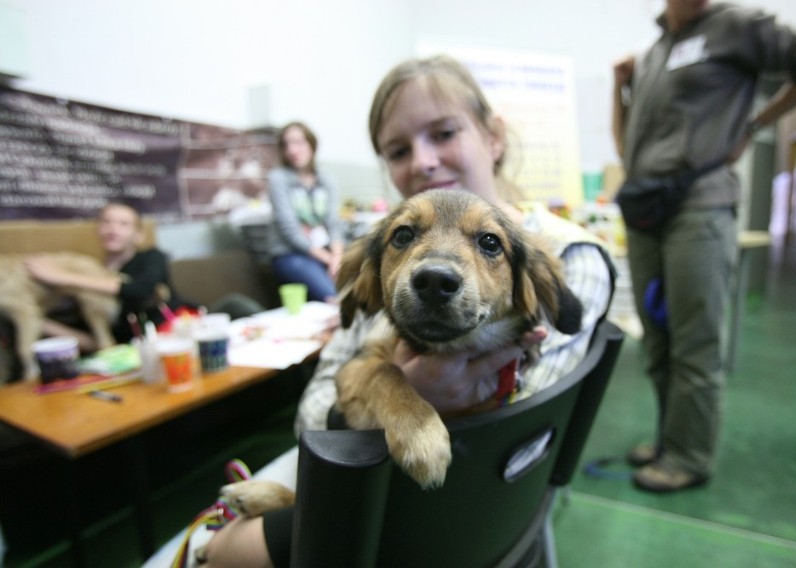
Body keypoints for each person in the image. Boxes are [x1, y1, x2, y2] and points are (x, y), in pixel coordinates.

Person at [197, 54, 615, 568]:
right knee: (211, 552)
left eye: (443, 133)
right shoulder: (373, 282)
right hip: (358, 491)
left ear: (493, 136)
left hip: (474, 516)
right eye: (397, 150)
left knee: (223, 554)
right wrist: (397, 392)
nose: (422, 162)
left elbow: (517, 453)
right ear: (369, 281)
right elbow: (314, 416)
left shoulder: (570, 255)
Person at [611, 0, 796, 492]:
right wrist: (620, 87)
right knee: (658, 339)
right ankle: (668, 438)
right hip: (647, 208)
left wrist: (757, 124)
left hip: (701, 206)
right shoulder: (655, 50)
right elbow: (627, 145)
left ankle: (689, 456)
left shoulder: (736, 26)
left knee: (695, 341)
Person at [24, 201, 175, 349]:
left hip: (174, 331)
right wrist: (40, 324)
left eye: (124, 224)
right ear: (97, 229)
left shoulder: (151, 257)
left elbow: (141, 289)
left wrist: (61, 276)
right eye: (106, 222)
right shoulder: (91, 271)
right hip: (126, 351)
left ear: (139, 235)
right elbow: (99, 341)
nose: (113, 229)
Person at [266, 121, 345, 303]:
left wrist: (337, 257)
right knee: (333, 295)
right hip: (291, 254)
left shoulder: (326, 180)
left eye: (299, 142)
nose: (292, 150)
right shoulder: (278, 179)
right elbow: (290, 230)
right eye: (286, 144)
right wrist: (328, 259)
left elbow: (333, 222)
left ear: (311, 145)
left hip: (326, 252)